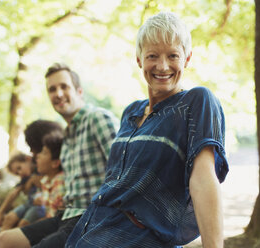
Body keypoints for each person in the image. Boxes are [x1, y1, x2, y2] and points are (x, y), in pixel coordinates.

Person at [66, 11, 229, 248]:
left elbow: (204, 179)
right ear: (139, 59)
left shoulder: (196, 102)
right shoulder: (131, 112)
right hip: (90, 231)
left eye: (173, 55)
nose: (162, 66)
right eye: (153, 55)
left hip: (141, 239)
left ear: (187, 58)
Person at [0, 63, 119, 248]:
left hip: (90, 218)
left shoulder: (97, 119)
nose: (58, 94)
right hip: (65, 215)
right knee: (5, 240)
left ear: (79, 91)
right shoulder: (66, 135)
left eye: (64, 87)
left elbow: (126, 171)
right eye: (52, 90)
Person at [0, 120, 63, 229]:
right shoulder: (35, 168)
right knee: (10, 220)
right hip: (34, 204)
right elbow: (15, 192)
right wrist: (1, 211)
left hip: (43, 208)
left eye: (32, 147)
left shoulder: (55, 172)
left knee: (22, 226)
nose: (31, 151)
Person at [0, 152, 45, 231]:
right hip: (29, 203)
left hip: (40, 205)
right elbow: (13, 193)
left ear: (28, 159)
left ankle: (14, 241)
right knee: (9, 218)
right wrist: (1, 211)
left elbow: (43, 183)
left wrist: (32, 181)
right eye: (17, 173)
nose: (20, 173)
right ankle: (1, 241)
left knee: (23, 224)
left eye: (19, 168)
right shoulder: (25, 178)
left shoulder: (40, 169)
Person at [34, 130, 65, 220]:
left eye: (44, 152)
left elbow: (55, 217)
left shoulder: (59, 182)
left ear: (55, 163)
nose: (38, 156)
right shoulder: (47, 179)